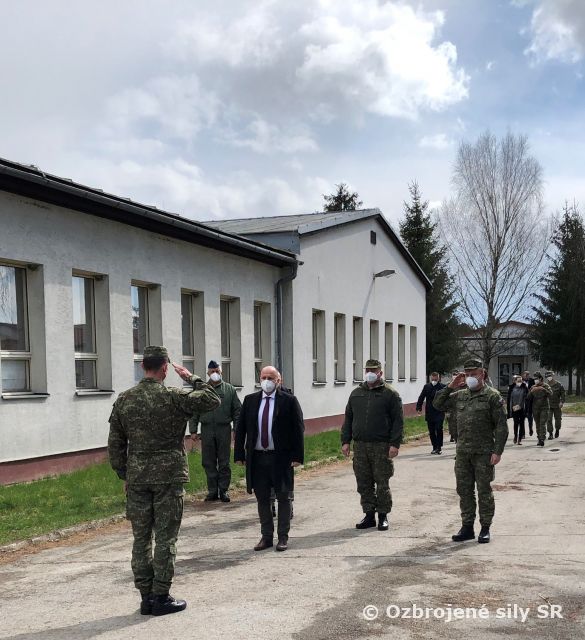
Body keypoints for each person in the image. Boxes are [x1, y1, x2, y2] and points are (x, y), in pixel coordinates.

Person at [108, 346, 220, 616]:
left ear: (142, 366)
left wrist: (125, 474)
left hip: (138, 478)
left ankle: (146, 597)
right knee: (166, 538)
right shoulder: (174, 396)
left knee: (141, 539)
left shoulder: (125, 399)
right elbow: (212, 398)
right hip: (169, 477)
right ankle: (161, 596)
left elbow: (115, 444)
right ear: (165, 368)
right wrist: (191, 377)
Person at [433, 358, 508, 544]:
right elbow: (437, 404)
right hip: (463, 453)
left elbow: (501, 427)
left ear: (482, 374)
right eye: (467, 374)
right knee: (464, 491)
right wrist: (450, 386)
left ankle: (485, 527)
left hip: (483, 453)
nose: (470, 377)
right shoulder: (460, 395)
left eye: (473, 374)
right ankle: (467, 527)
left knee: (483, 491)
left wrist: (497, 451)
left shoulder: (492, 396)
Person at [234, 365, 304, 552]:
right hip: (257, 458)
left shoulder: (289, 401)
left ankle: (283, 537)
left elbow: (298, 429)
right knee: (262, 498)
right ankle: (266, 537)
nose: (267, 381)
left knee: (283, 497)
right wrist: (239, 454)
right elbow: (241, 429)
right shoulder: (250, 400)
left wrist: (298, 455)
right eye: (263, 377)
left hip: (281, 458)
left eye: (270, 378)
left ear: (278, 381)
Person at [341, 359, 403, 532]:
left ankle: (383, 515)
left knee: (382, 482)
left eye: (373, 371)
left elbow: (398, 421)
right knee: (363, 482)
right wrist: (345, 441)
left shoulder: (390, 394)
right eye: (367, 370)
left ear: (380, 373)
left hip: (381, 445)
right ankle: (369, 514)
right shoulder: (356, 394)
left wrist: (394, 444)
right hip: (360, 446)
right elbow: (348, 419)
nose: (370, 373)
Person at [189, 360, 241, 503]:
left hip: (224, 429)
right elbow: (194, 411)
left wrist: (237, 429)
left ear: (221, 372)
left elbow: (237, 411)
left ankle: (223, 490)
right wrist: (193, 430)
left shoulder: (229, 389)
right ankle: (212, 491)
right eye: (212, 371)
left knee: (224, 461)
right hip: (206, 429)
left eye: (217, 371)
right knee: (208, 461)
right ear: (208, 373)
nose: (215, 374)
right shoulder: (202, 390)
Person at [416, 372, 446, 454]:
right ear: (430, 378)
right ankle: (434, 447)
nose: (434, 380)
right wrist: (419, 407)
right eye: (433, 379)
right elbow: (421, 397)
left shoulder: (442, 387)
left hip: (439, 411)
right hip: (430, 412)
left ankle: (439, 447)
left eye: (436, 379)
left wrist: (447, 408)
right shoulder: (427, 387)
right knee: (431, 431)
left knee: (439, 429)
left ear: (438, 378)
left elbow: (447, 398)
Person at [527, 371, 552, 447]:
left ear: (540, 378)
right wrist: (531, 392)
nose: (535, 380)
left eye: (536, 378)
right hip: (535, 408)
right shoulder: (533, 387)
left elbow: (551, 394)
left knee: (542, 423)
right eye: (534, 379)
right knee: (537, 424)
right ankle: (539, 438)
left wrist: (543, 389)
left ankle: (542, 439)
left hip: (544, 407)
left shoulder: (546, 385)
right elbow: (528, 397)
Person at [507, 375, 528, 445]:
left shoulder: (524, 388)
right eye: (518, 381)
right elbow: (510, 399)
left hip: (522, 408)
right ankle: (515, 436)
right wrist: (510, 409)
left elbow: (527, 397)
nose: (519, 382)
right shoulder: (512, 389)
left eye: (520, 381)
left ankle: (520, 439)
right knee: (516, 423)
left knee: (521, 423)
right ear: (515, 381)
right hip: (514, 408)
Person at [545, 371, 566, 439]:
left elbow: (563, 394)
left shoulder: (559, 385)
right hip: (548, 405)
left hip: (557, 405)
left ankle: (557, 430)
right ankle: (550, 433)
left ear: (553, 376)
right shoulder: (545, 385)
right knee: (548, 419)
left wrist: (561, 402)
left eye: (550, 376)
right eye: (547, 376)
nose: (549, 377)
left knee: (558, 419)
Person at [447, 370, 459, 443]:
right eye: (453, 375)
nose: (454, 377)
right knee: (451, 423)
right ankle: (452, 435)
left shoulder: (460, 385)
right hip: (450, 407)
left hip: (458, 406)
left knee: (458, 422)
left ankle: (456, 436)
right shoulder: (449, 385)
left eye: (456, 375)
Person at [522, 371, 535, 435]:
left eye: (528, 375)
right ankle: (523, 433)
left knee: (530, 417)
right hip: (522, 401)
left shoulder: (532, 381)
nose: (527, 376)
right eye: (526, 375)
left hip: (530, 401)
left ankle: (530, 429)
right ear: (523, 375)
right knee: (522, 418)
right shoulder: (520, 381)